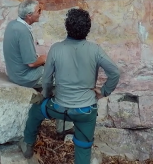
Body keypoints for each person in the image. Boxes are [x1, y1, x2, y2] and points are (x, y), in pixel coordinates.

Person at [20, 8, 120, 164]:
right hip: (85, 112)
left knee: (36, 109)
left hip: (58, 107)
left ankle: (27, 145)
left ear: (67, 26)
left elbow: (46, 80)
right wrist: (104, 91)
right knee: (83, 147)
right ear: (87, 28)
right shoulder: (95, 50)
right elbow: (115, 73)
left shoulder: (56, 49)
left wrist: (46, 95)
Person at [3, 0, 47, 89]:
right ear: (29, 16)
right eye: (38, 11)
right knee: (63, 75)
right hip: (25, 78)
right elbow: (31, 63)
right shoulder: (23, 31)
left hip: (14, 73)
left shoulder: (12, 24)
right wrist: (44, 59)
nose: (40, 13)